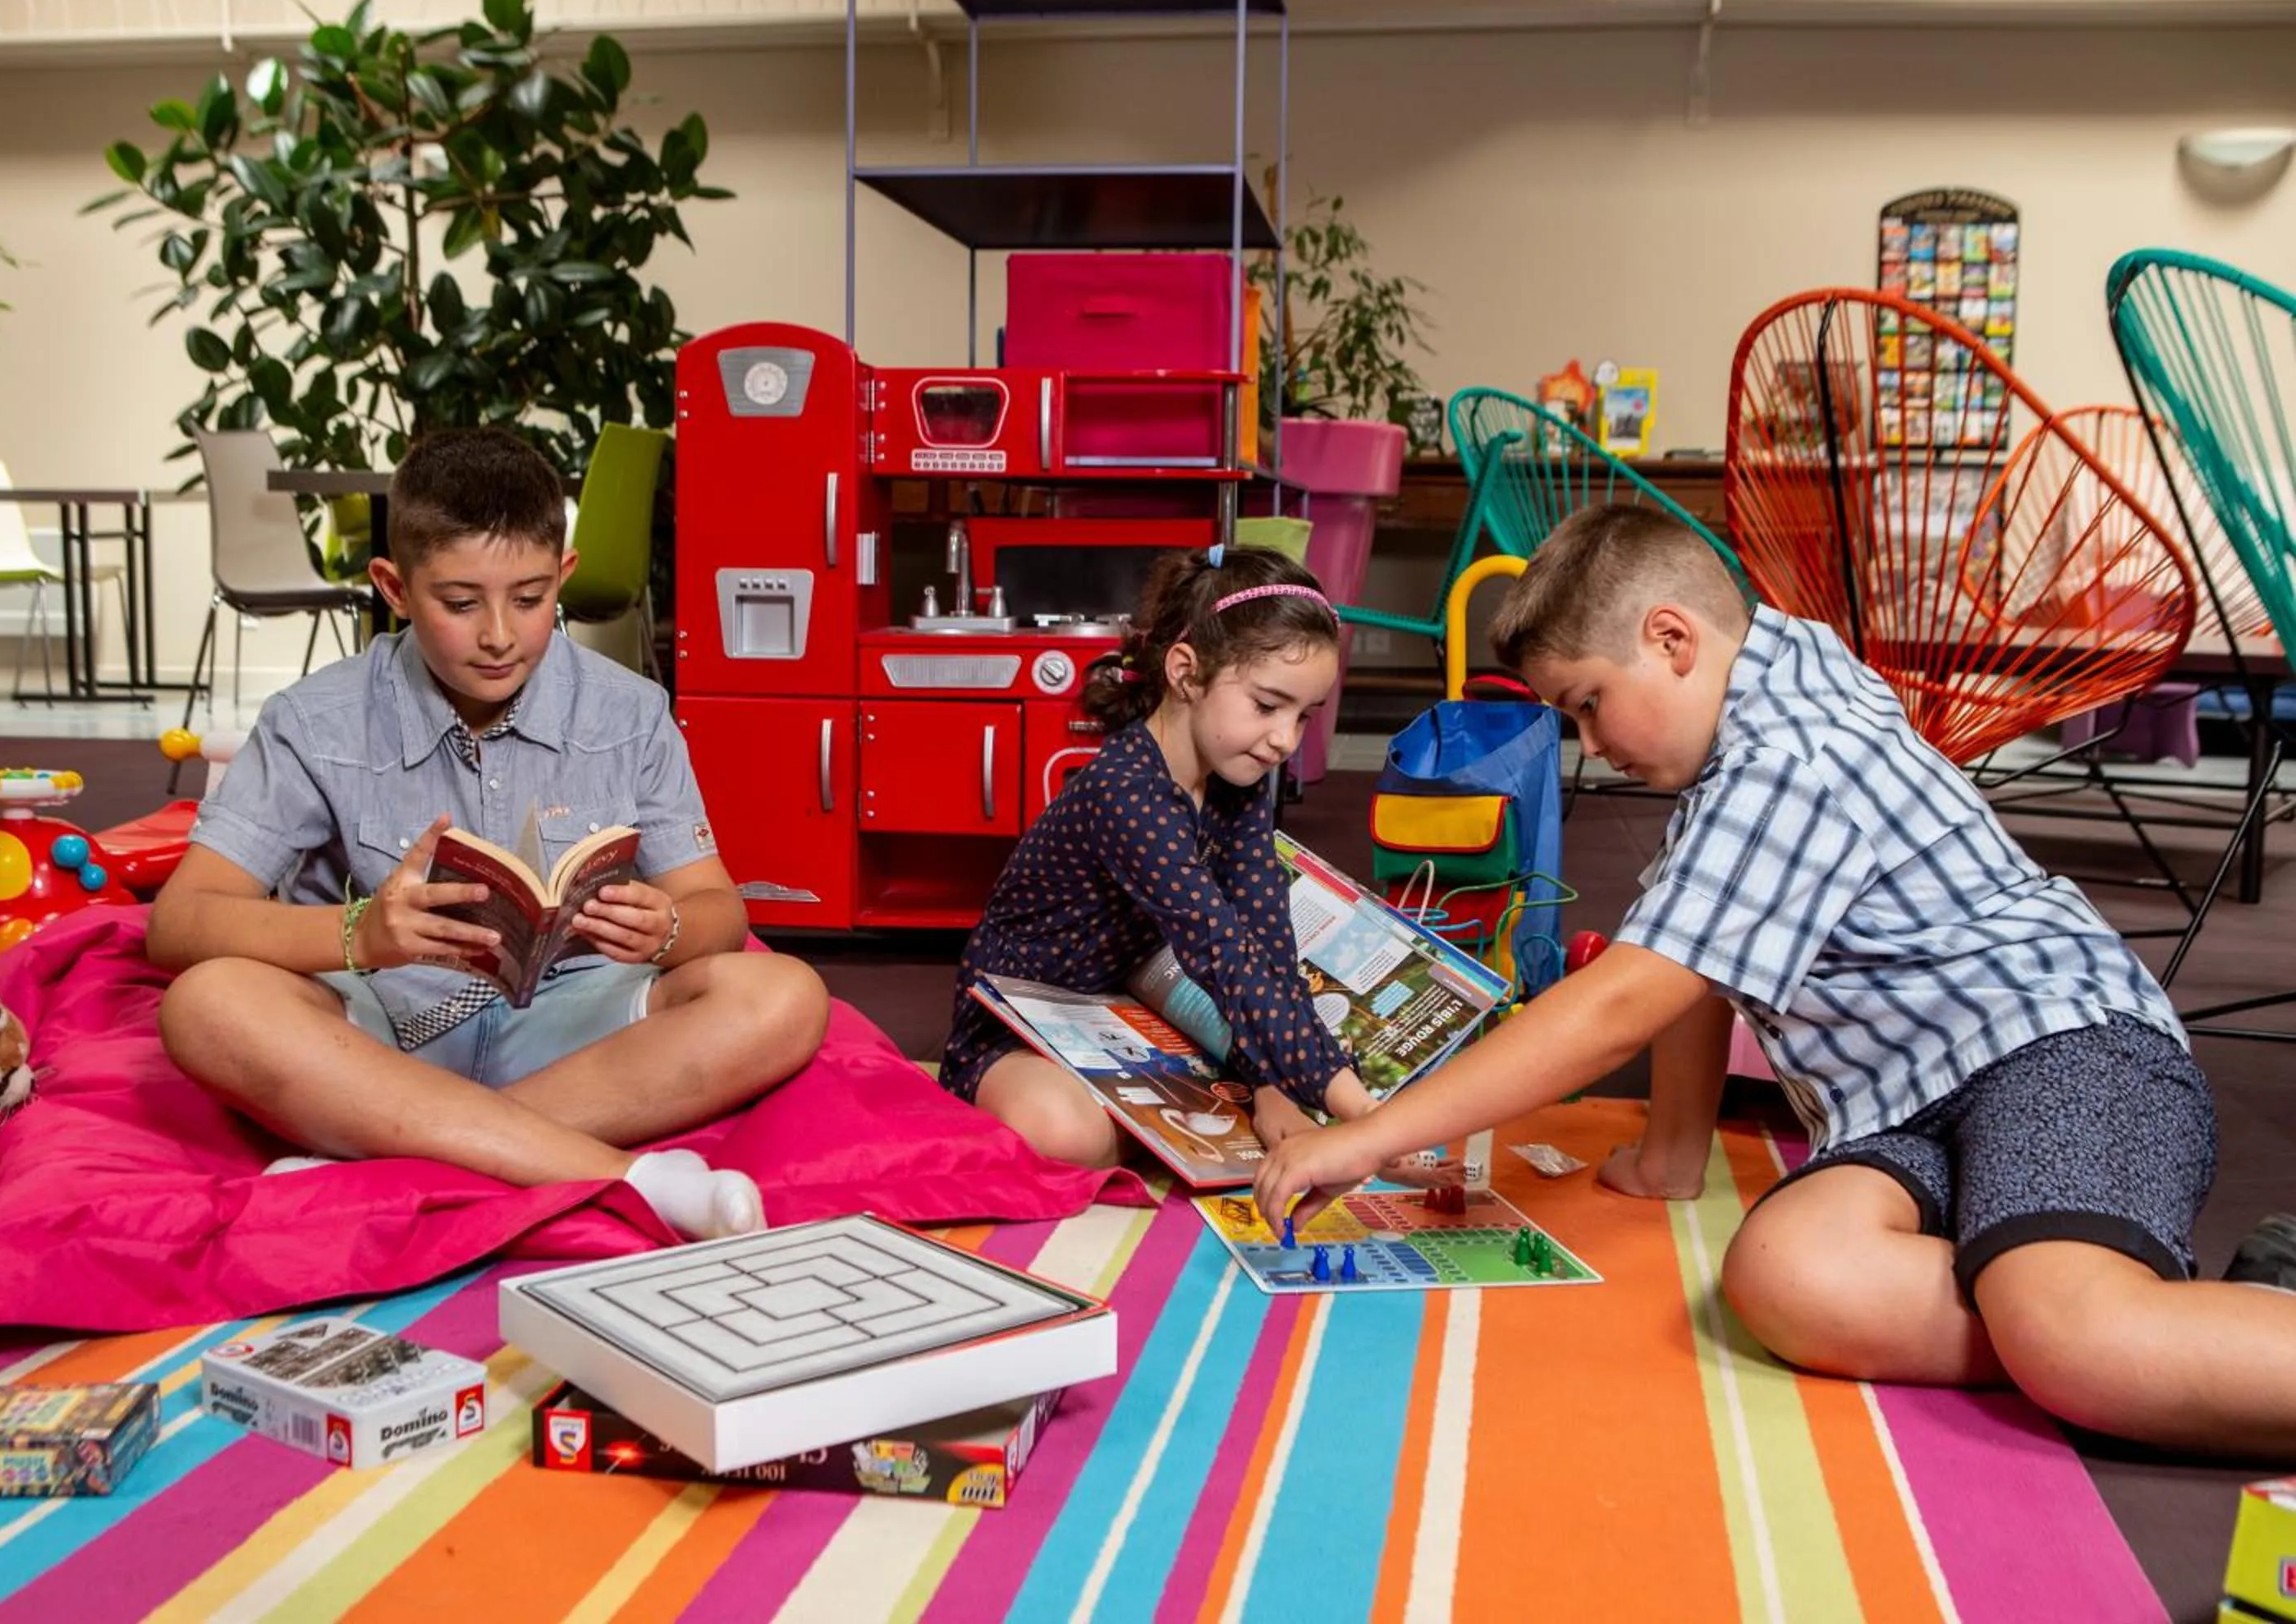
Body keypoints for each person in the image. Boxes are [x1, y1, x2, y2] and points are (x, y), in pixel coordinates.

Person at [1254, 502, 2296, 1455]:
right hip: (1901, 1102)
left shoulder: (1790, 752)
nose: (1592, 745)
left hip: (2057, 1047)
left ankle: (2111, 1316)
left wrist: (1373, 1135)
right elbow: (1695, 959)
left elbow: (1627, 1000)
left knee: (2076, 1342)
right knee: (1787, 1276)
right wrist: (1671, 1155)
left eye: (1589, 705)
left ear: (1672, 639)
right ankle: (2086, 1293)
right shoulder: (1760, 692)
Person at [149, 428, 828, 1227]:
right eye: (461, 603)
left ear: (563, 575)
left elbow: (719, 909)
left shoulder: (631, 712)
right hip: (378, 1034)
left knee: (784, 994)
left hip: (577, 1035)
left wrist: (669, 927)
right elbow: (179, 922)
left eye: (530, 599)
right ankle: (627, 1178)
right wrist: (361, 934)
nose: (500, 634)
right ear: (395, 588)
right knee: (207, 1003)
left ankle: (391, 1154)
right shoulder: (313, 720)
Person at [940, 544, 1381, 1168]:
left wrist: (1274, 1085)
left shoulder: (1239, 777)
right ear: (1186, 672)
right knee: (1070, 1138)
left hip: (1129, 1011)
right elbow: (1220, 949)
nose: (1285, 739)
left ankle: (1214, 1099)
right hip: (1021, 1025)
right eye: (1266, 705)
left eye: (1304, 716)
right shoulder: (1125, 790)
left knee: (1261, 1075)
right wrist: (1364, 1117)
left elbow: (1265, 938)